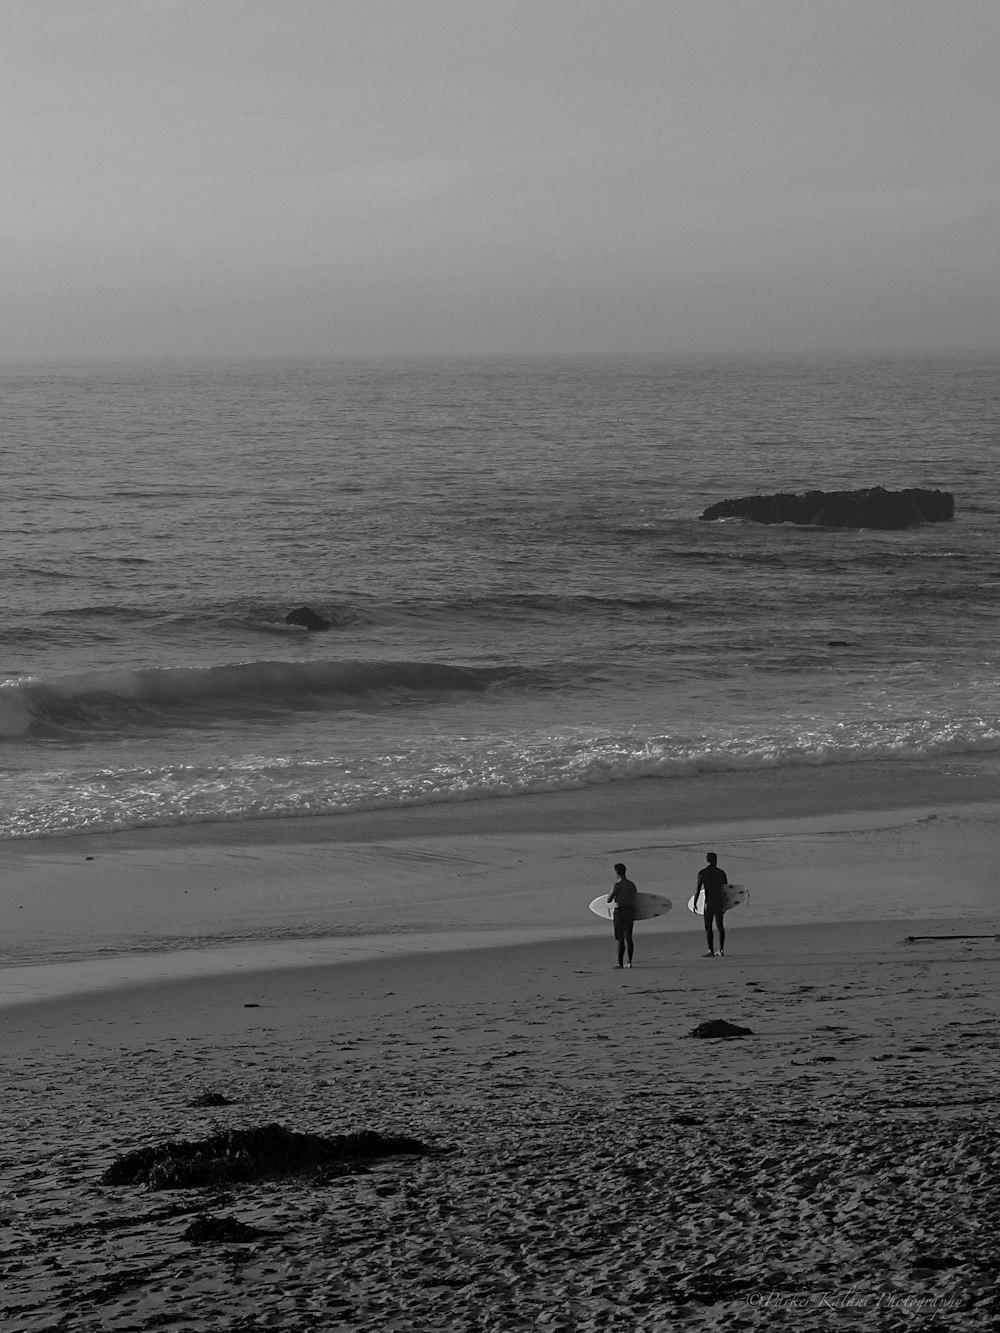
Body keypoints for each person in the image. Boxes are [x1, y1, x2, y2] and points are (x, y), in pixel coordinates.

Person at [693, 851, 728, 957]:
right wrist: (726, 904)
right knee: (720, 926)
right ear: (716, 860)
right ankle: (721, 950)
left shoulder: (702, 873)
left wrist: (695, 903)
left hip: (709, 903)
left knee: (708, 928)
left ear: (707, 860)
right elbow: (726, 890)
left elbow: (698, 890)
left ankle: (710, 950)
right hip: (719, 902)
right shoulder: (721, 873)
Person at [607, 862, 638, 969]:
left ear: (617, 872)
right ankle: (629, 962)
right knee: (628, 937)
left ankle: (620, 963)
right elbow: (635, 897)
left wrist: (615, 895)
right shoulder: (631, 885)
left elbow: (608, 900)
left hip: (619, 912)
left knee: (620, 938)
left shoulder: (617, 885)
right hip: (630, 911)